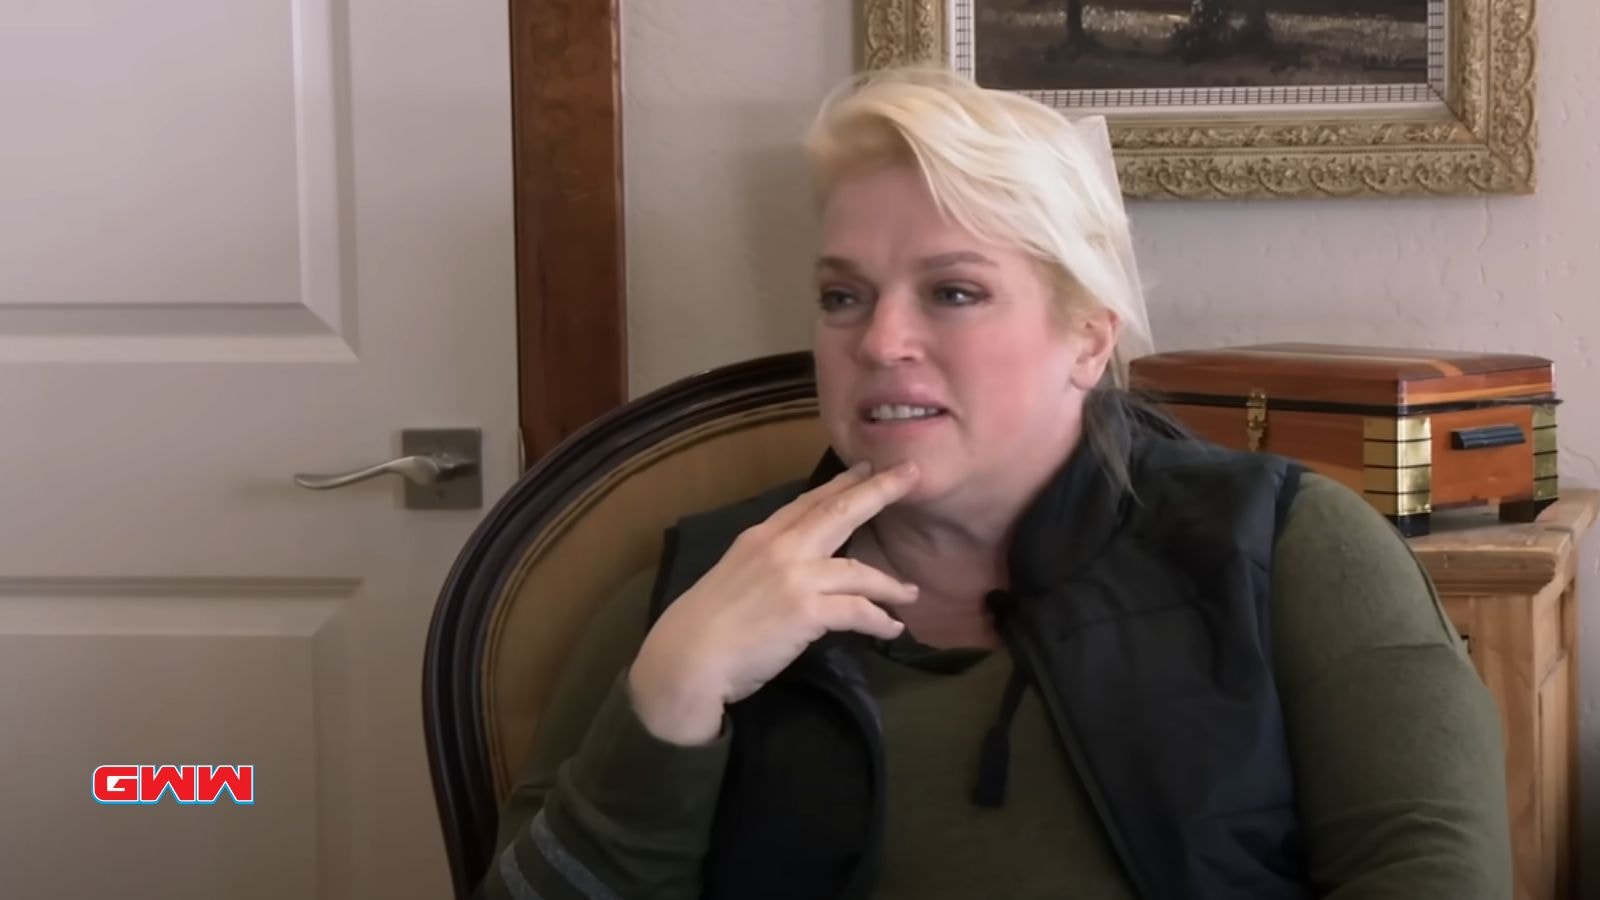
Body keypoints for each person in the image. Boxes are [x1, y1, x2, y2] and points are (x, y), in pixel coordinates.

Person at [475, 67, 1511, 900]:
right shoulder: (692, 593)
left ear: (1086, 336)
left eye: (954, 291)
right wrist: (671, 698)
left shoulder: (1287, 551)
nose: (879, 340)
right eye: (842, 296)